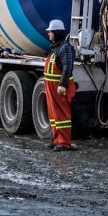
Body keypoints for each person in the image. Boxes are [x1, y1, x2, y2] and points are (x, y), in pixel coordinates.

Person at [43, 19, 78, 151]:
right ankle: (57, 139)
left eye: (50, 32)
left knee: (62, 115)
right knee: (53, 115)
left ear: (56, 32)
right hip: (51, 87)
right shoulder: (56, 48)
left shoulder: (65, 48)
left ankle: (64, 142)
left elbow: (68, 67)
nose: (48, 34)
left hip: (59, 88)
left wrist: (62, 84)